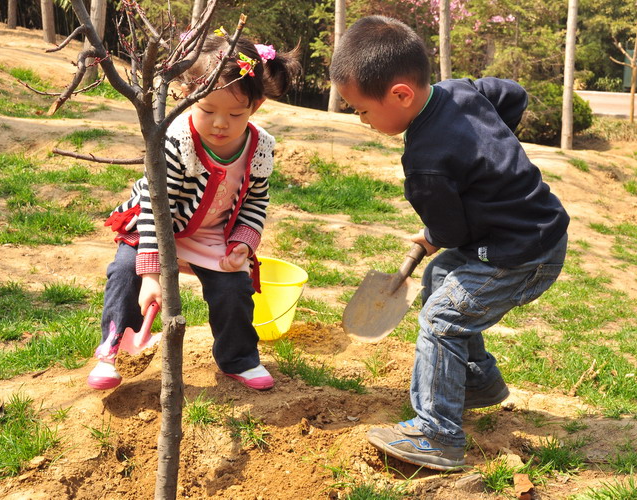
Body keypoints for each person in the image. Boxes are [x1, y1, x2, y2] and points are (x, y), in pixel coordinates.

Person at [330, 16, 569, 471]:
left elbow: (452, 234)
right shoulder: (461, 90)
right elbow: (512, 94)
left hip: (518, 257)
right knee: (440, 275)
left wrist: (432, 234)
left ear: (401, 94)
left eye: (361, 110)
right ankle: (477, 382)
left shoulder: (426, 163)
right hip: (536, 230)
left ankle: (437, 434)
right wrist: (494, 148)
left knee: (442, 317)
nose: (361, 120)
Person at [87, 35, 301, 392]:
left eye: (235, 114)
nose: (220, 124)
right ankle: (113, 348)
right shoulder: (176, 140)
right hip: (155, 224)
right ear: (187, 96)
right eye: (206, 110)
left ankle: (239, 359)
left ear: (256, 105)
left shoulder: (260, 147)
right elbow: (159, 208)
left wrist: (243, 243)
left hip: (210, 233)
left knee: (234, 286)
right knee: (127, 272)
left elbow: (255, 201)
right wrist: (152, 274)